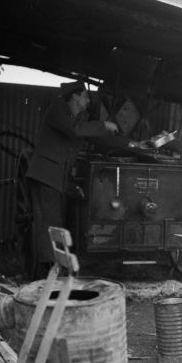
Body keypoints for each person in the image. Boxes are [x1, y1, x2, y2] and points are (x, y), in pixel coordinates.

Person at [26, 80, 120, 278]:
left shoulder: (78, 117)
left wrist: (132, 144)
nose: (88, 100)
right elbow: (75, 130)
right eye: (85, 96)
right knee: (50, 224)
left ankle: (54, 269)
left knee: (55, 222)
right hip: (45, 175)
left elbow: (93, 136)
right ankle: (48, 273)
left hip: (57, 178)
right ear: (75, 97)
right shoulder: (58, 110)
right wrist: (103, 124)